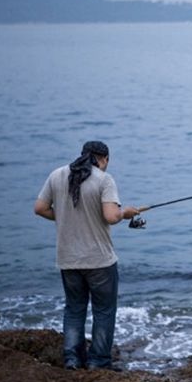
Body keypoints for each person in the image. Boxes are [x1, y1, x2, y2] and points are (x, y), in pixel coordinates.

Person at [34, 141, 140, 370]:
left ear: (83, 155)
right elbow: (111, 216)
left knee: (74, 309)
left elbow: (40, 208)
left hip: (68, 259)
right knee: (103, 311)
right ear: (104, 159)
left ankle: (72, 359)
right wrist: (126, 212)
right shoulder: (104, 179)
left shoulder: (57, 175)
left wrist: (63, 216)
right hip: (99, 260)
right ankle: (98, 361)